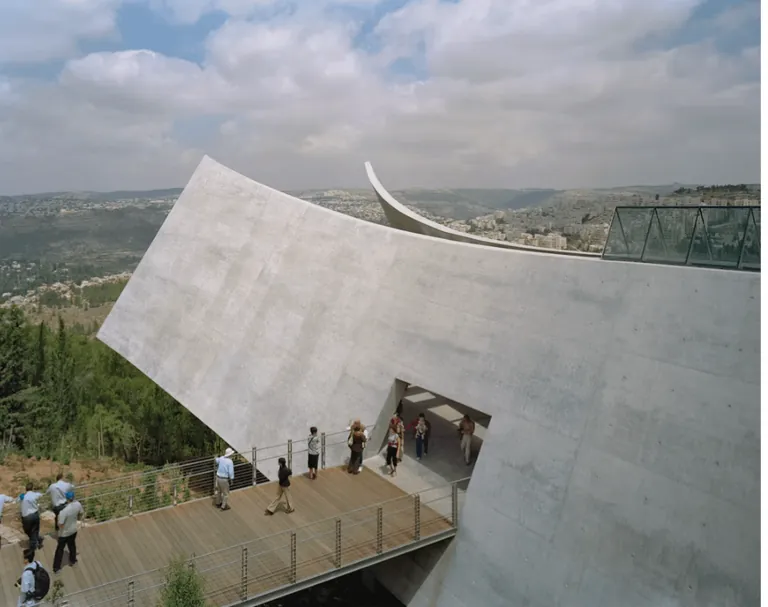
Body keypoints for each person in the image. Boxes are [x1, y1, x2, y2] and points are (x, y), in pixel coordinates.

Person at [53, 491, 83, 574]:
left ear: (66, 499)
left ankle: (56, 567)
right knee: (72, 545)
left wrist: (60, 528)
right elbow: (80, 513)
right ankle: (73, 560)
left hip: (64, 533)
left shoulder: (64, 511)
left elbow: (60, 524)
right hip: (73, 530)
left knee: (60, 550)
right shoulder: (78, 504)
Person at [19, 483, 43, 551]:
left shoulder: (23, 496)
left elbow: (17, 500)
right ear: (32, 489)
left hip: (26, 517)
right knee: (35, 531)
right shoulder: (35, 494)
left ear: (26, 489)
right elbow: (40, 495)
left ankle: (33, 547)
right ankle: (38, 539)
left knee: (28, 531)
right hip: (35, 515)